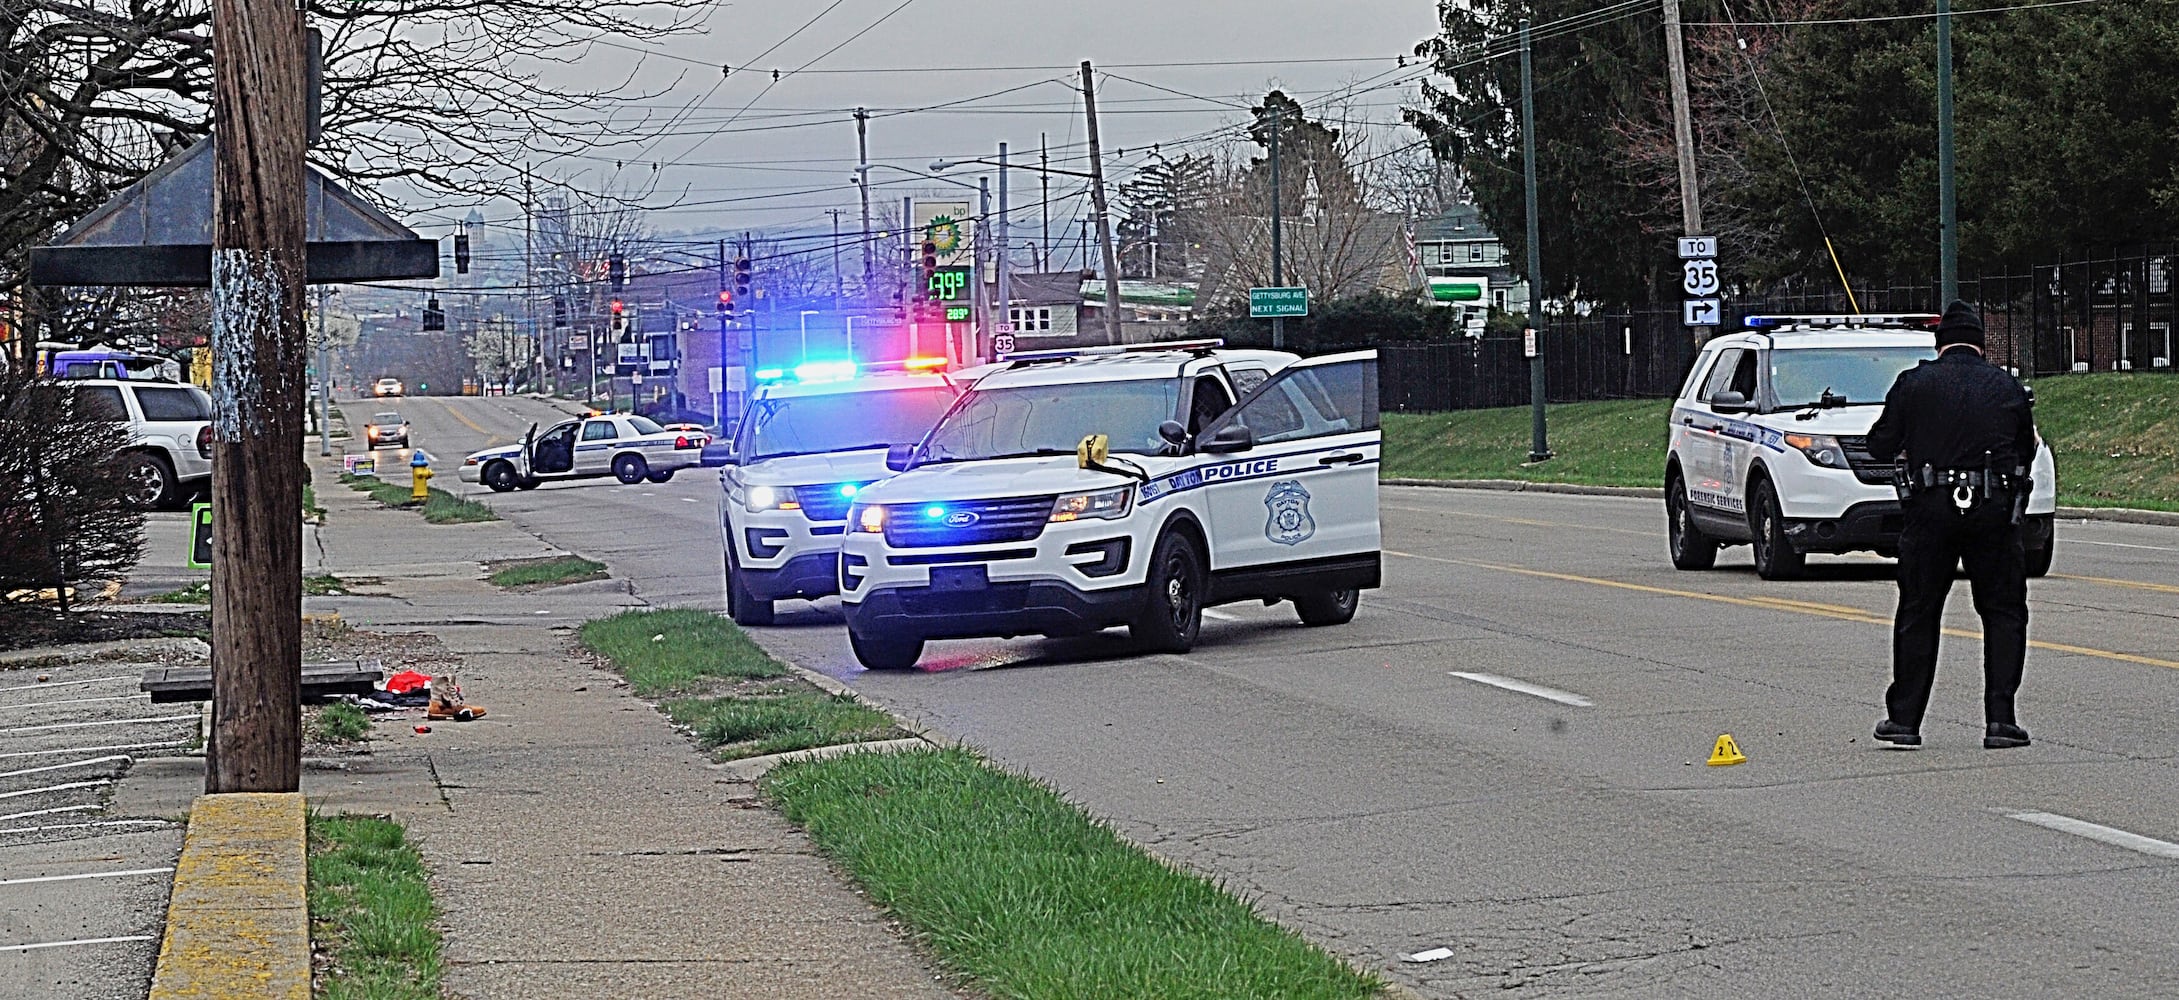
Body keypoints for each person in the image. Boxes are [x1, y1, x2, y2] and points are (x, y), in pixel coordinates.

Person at [1866, 300, 2038, 749]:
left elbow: (1880, 443)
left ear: (1939, 344)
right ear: (1981, 345)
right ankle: (2001, 720)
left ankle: (1904, 720)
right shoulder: (2007, 387)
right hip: (1994, 512)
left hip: (1930, 510)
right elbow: (2027, 449)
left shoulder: (1914, 384)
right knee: (2003, 612)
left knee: (1919, 611)